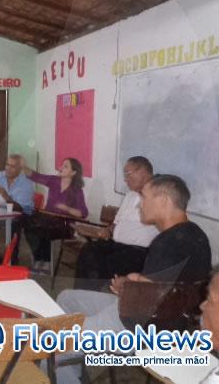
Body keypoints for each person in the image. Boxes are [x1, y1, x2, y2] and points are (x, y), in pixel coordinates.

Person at [55, 174, 212, 384]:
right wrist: (133, 284)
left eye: (144, 198)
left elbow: (144, 300)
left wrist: (129, 284)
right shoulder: (196, 235)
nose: (140, 205)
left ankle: (65, 364)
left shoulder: (169, 243)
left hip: (138, 327)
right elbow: (161, 290)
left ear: (164, 200)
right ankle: (73, 369)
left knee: (54, 345)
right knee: (67, 297)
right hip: (163, 318)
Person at [75, 156, 159, 290]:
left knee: (100, 263)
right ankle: (80, 294)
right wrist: (105, 231)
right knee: (88, 250)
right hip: (117, 245)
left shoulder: (157, 195)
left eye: (127, 174)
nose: (125, 179)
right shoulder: (130, 195)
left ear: (142, 171)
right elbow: (116, 222)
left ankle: (91, 296)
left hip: (138, 251)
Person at [22, 157, 89, 273]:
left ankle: (46, 265)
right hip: (47, 220)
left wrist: (66, 208)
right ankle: (38, 260)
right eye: (62, 165)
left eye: (65, 166)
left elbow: (83, 213)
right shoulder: (54, 181)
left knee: (43, 230)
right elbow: (36, 176)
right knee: (28, 226)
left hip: (65, 226)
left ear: (73, 173)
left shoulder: (77, 190)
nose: (61, 167)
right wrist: (22, 166)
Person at [0, 154, 34, 264]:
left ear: (20, 169)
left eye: (12, 166)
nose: (8, 168)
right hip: (0, 212)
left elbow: (20, 208)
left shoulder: (26, 183)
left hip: (22, 215)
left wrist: (6, 196)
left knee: (14, 224)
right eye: (7, 165)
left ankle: (12, 260)